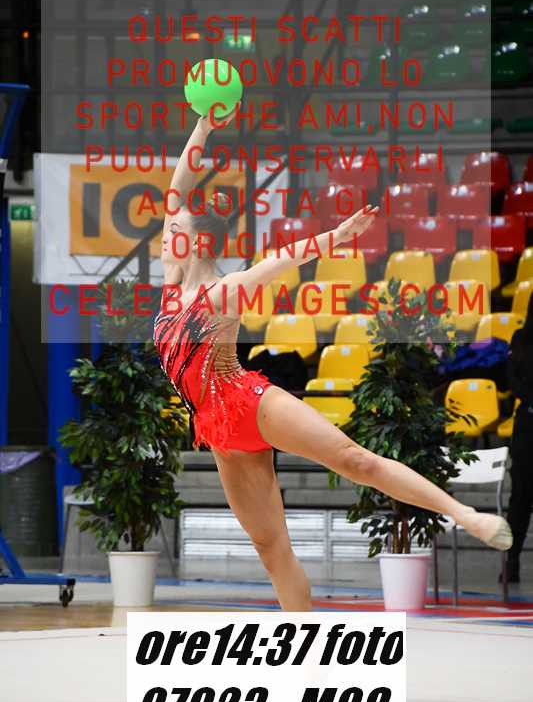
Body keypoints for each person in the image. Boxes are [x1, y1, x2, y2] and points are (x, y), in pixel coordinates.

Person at [154, 112, 512, 611]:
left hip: (248, 402)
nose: (167, 232)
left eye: (175, 230)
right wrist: (203, 129)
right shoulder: (172, 282)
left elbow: (281, 259)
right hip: (217, 430)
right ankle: (305, 644)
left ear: (197, 242)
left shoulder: (226, 290)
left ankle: (466, 515)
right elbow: (178, 187)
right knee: (270, 548)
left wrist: (336, 237)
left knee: (355, 461)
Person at [503, 295, 533, 583]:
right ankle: (511, 561)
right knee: (520, 496)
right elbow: (512, 380)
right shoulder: (520, 338)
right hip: (527, 422)